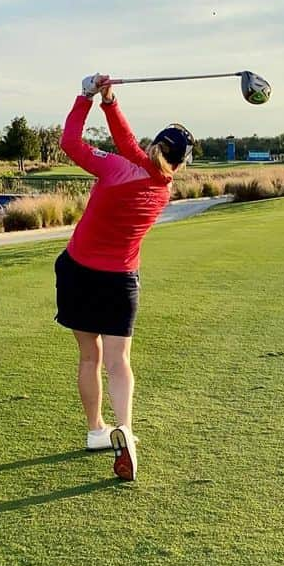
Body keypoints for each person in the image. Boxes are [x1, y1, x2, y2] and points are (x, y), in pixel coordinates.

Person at [56, 73, 194, 481]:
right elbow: (131, 147)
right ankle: (126, 430)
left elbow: (71, 144)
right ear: (181, 163)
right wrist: (110, 102)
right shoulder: (163, 188)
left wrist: (85, 96)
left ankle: (96, 430)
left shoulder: (116, 169)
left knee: (89, 357)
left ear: (154, 146)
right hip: (120, 282)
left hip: (78, 271)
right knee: (119, 362)